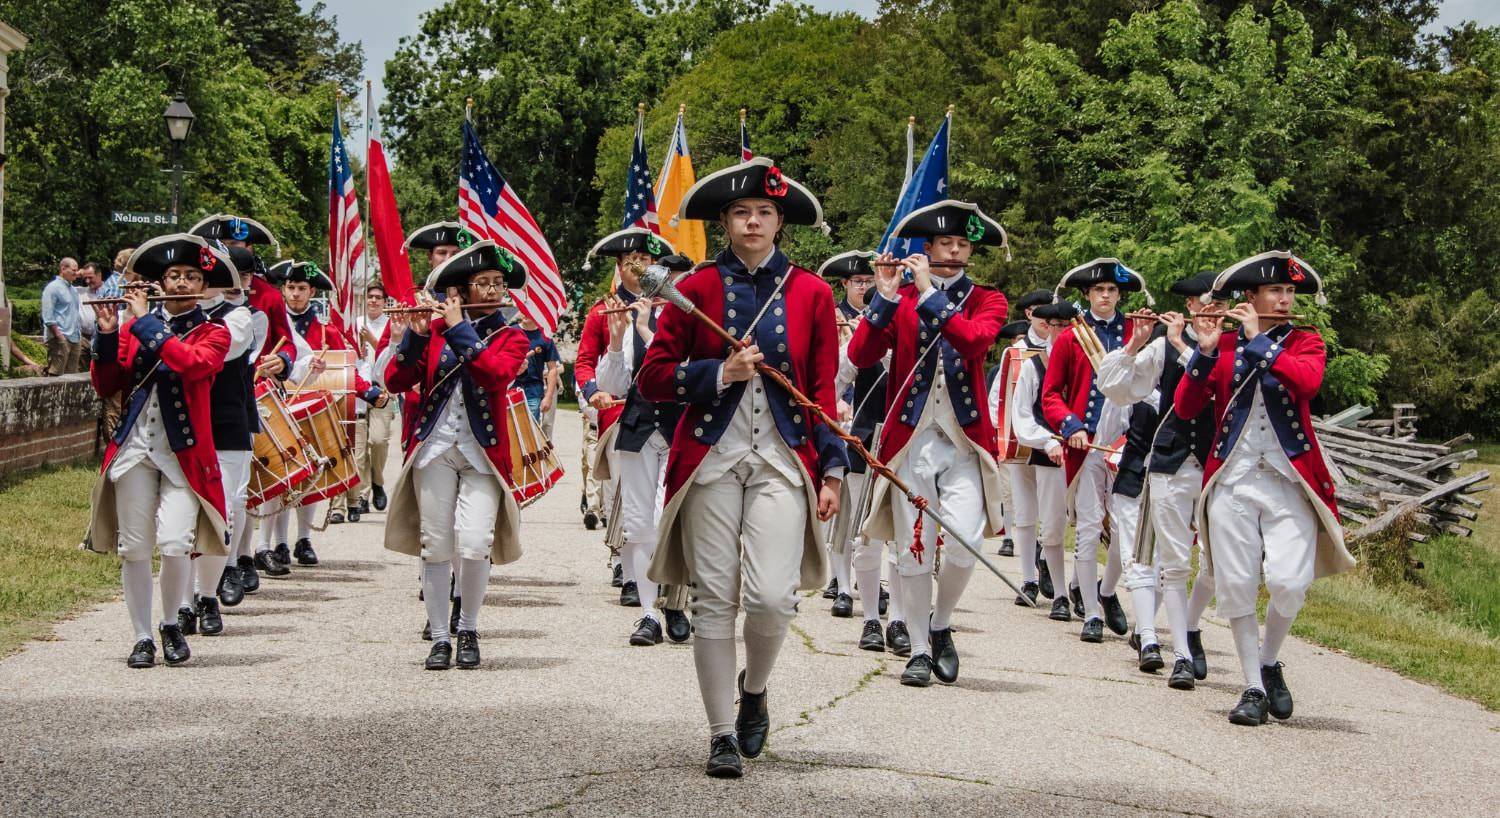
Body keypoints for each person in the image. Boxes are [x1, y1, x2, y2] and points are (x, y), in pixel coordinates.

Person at [638, 156, 846, 778]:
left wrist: (832, 469)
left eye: (763, 213)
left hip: (783, 459)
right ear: (724, 223)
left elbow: (822, 390)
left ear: (780, 222)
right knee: (715, 599)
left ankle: (754, 689)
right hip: (709, 460)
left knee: (773, 598)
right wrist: (716, 374)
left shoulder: (812, 291)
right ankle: (721, 732)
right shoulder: (693, 289)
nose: (751, 222)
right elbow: (652, 379)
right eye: (739, 213)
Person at [1176, 251, 1355, 726]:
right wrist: (1206, 352)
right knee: (1235, 583)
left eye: (1290, 292)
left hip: (1288, 481)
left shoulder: (1306, 342)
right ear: (1250, 297)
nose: (1284, 298)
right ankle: (1252, 684)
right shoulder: (1226, 345)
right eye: (1275, 291)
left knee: (1289, 583)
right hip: (1233, 479)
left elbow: (1308, 383)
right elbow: (1189, 407)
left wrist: (1261, 343)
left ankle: (1271, 659)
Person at [848, 200, 1009, 688]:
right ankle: (918, 646)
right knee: (912, 549)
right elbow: (860, 355)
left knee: (964, 541)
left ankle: (941, 624)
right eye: (946, 244)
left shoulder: (988, 299)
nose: (955, 251)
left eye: (962, 245)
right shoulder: (900, 299)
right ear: (928, 247)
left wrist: (926, 294)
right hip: (911, 441)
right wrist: (884, 298)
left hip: (963, 442)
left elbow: (975, 343)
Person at [85, 234, 234, 668]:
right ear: (161, 282)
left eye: (191, 276)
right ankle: (141, 636)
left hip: (183, 455)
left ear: (204, 285)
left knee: (174, 542)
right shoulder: (135, 327)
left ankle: (171, 622)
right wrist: (110, 336)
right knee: (134, 546)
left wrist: (147, 325)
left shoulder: (215, 333)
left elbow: (190, 365)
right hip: (135, 450)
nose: (181, 282)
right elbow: (107, 384)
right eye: (173, 276)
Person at [384, 240, 532, 670]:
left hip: (482, 452)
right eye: (482, 283)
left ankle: (467, 626)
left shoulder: (513, 337)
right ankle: (440, 638)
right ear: (460, 292)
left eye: (498, 283)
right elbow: (396, 382)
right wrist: (412, 335)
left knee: (474, 543)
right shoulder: (432, 332)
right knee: (435, 545)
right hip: (435, 448)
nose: (491, 290)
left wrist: (455, 329)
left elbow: (494, 374)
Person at [1096, 271, 1225, 688]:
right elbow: (1116, 390)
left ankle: (1189, 626)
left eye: (1221, 305)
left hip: (1217, 466)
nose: (1215, 313)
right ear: (1189, 307)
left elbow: (1213, 381)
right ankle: (1180, 656)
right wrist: (1136, 342)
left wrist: (1187, 347)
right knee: (1172, 561)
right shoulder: (1160, 347)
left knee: (1214, 561)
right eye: (1206, 305)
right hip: (1170, 462)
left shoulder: (1239, 347)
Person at [1041, 258, 1153, 643]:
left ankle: (1106, 592)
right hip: (1087, 444)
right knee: (1089, 530)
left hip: (1129, 444)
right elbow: (1051, 395)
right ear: (1087, 294)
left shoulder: (1137, 333)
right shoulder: (1073, 337)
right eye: (1098, 290)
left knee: (1126, 533)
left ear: (1120, 295)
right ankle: (1090, 612)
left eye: (1112, 291)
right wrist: (1070, 426)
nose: (1105, 296)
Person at [588, 227, 690, 646]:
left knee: (678, 519)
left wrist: (649, 330)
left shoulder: (688, 318)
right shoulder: (628, 318)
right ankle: (648, 613)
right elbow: (613, 382)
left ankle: (677, 604)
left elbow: (685, 368)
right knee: (639, 524)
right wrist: (615, 342)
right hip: (638, 427)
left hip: (681, 429)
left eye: (655, 268)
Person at [259, 262, 386, 563]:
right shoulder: (271, 324)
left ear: (311, 291)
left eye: (302, 289)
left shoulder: (327, 331)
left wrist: (368, 392)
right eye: (290, 288)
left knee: (310, 478)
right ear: (283, 290)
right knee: (279, 476)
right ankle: (276, 544)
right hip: (278, 408)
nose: (295, 294)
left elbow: (345, 369)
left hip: (314, 411)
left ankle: (303, 539)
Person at [176, 245, 267, 636]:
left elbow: (217, 354)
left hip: (226, 420)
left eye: (202, 277)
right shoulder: (170, 318)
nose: (197, 284)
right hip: (182, 426)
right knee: (181, 519)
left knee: (224, 510)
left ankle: (208, 593)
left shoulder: (239, 316)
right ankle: (182, 603)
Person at [820, 250, 902, 652]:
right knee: (857, 527)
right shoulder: (860, 341)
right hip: (866, 436)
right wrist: (836, 413)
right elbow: (837, 379)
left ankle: (900, 615)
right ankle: (857, 603)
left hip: (903, 441)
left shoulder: (911, 339)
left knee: (904, 534)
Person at [990, 292, 1067, 609]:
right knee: (1023, 513)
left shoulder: (1064, 351)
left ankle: (1055, 576)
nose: (1047, 324)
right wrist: (1001, 438)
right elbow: (1000, 400)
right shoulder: (1016, 353)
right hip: (1020, 441)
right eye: (1040, 316)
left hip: (1054, 443)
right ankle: (1028, 579)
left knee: (1053, 517)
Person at [355, 284, 399, 514]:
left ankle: (377, 482)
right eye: (370, 297)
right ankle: (362, 494)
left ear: (384, 301)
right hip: (358, 391)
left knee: (379, 441)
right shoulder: (355, 322)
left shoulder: (390, 324)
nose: (373, 301)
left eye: (378, 298)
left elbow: (391, 355)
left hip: (382, 389)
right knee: (359, 448)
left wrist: (372, 340)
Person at [514, 313, 560, 423]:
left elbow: (552, 369)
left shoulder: (545, 337)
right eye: (523, 310)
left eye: (529, 311)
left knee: (531, 431)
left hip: (533, 392)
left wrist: (548, 397)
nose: (524, 313)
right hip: (510, 389)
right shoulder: (510, 332)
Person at [42, 257, 83, 375]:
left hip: (75, 338)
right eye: (74, 270)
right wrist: (59, 337)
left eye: (77, 270)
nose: (76, 273)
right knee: (56, 375)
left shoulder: (73, 290)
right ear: (63, 269)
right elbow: (48, 316)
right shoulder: (52, 288)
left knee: (72, 379)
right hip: (60, 338)